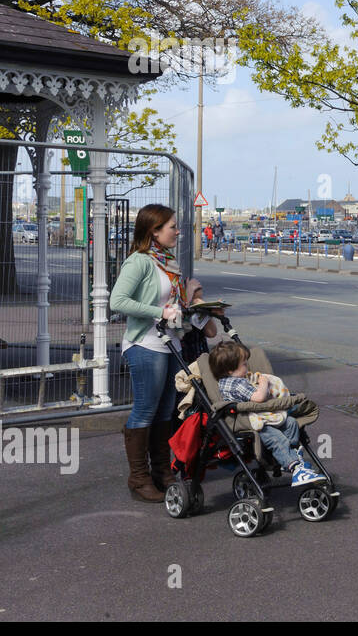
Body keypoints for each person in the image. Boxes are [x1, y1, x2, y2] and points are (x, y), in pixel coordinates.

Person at [109, 203, 216, 502]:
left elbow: (176, 309)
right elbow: (118, 300)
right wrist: (159, 311)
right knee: (145, 408)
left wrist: (195, 299)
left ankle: (162, 472)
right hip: (145, 344)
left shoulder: (167, 262)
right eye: (172, 226)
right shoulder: (140, 262)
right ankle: (139, 478)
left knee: (166, 409)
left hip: (171, 344)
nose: (178, 232)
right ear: (154, 230)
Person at [207, 341, 325, 486]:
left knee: (291, 423)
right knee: (276, 438)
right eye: (244, 364)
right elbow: (259, 398)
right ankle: (295, 467)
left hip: (261, 416)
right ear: (230, 370)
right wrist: (264, 382)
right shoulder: (234, 384)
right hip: (249, 421)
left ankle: (287, 458)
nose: (247, 366)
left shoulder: (239, 379)